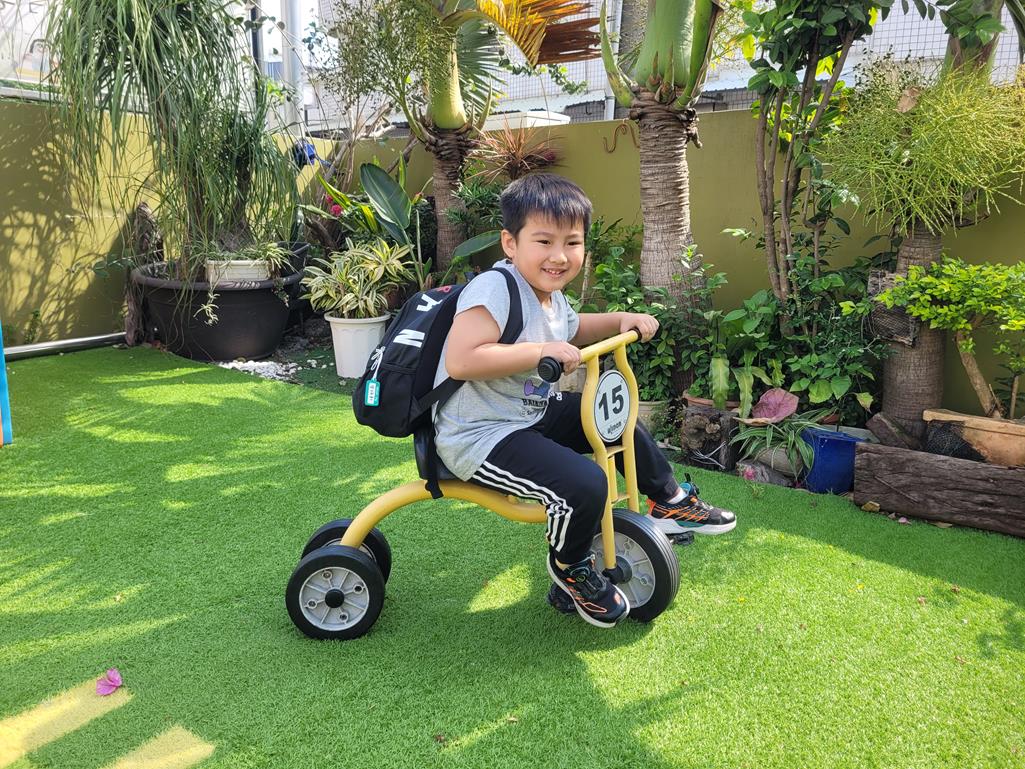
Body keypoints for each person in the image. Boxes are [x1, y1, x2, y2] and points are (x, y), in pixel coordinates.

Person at [433, 173, 736, 628]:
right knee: (584, 484)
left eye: (572, 243)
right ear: (510, 243)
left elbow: (573, 329)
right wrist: (540, 351)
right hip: (479, 434)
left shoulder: (549, 296)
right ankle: (570, 565)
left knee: (614, 421)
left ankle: (669, 500)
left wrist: (620, 319)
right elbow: (461, 360)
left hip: (527, 412)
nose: (559, 256)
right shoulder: (495, 289)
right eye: (544, 241)